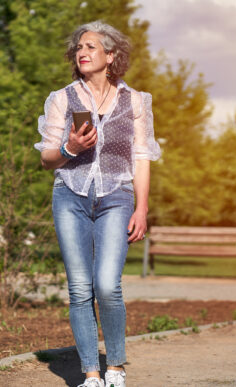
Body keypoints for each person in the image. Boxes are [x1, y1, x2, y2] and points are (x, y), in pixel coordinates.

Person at [34, 21, 161, 387]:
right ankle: (91, 372)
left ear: (111, 55)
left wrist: (142, 207)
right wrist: (69, 148)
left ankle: (116, 366)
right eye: (79, 47)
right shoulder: (63, 98)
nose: (82, 52)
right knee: (79, 287)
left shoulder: (134, 100)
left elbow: (141, 155)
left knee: (107, 285)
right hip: (70, 195)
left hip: (116, 197)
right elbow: (46, 159)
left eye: (91, 46)